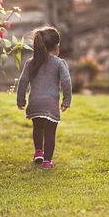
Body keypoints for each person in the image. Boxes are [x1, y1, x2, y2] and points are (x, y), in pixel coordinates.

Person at [16, 27, 72, 169]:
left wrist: (21, 100)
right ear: (55, 46)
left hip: (35, 103)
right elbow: (66, 82)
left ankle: (38, 153)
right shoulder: (59, 63)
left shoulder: (31, 62)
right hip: (50, 104)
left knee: (37, 128)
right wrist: (66, 101)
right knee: (49, 133)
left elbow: (23, 81)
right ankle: (47, 161)